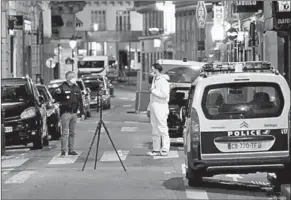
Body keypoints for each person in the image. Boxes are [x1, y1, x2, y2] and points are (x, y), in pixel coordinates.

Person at [55, 71, 85, 156]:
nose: (74, 78)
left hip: (74, 113)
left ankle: (71, 149)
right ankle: (63, 150)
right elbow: (56, 97)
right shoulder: (62, 87)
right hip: (65, 113)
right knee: (65, 132)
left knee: (72, 132)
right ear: (68, 78)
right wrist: (57, 93)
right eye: (73, 77)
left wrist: (82, 113)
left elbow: (80, 101)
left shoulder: (76, 88)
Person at [147, 63, 170, 156]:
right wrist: (149, 107)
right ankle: (156, 149)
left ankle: (165, 148)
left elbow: (164, 95)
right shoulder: (154, 79)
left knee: (162, 128)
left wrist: (153, 91)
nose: (151, 71)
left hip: (161, 107)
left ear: (157, 70)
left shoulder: (163, 81)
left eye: (152, 69)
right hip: (154, 106)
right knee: (154, 128)